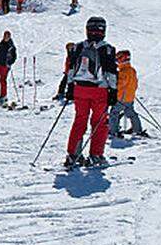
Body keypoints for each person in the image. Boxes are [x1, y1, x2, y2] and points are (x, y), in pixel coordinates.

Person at [62, 17, 118, 168]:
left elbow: (71, 69)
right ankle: (96, 155)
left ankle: (73, 154)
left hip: (80, 89)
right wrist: (113, 91)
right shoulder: (107, 49)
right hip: (99, 90)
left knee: (80, 120)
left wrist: (70, 87)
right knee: (99, 123)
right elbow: (111, 72)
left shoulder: (78, 47)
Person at [108, 50, 145, 138]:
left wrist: (113, 88)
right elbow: (135, 83)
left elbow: (120, 84)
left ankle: (113, 130)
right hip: (130, 97)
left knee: (114, 113)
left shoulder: (123, 71)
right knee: (131, 112)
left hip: (121, 97)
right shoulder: (132, 70)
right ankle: (137, 129)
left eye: (118, 59)